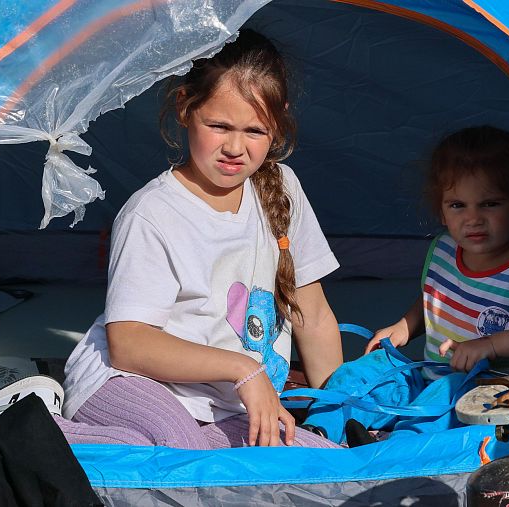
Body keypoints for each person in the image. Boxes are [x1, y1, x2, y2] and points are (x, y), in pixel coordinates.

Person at [55, 30, 343, 449]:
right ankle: (36, 428)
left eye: (255, 131)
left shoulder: (282, 187)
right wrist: (242, 368)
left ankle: (125, 447)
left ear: (278, 122)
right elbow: (128, 343)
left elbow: (313, 318)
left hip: (227, 402)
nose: (235, 147)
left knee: (322, 461)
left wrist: (338, 415)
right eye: (219, 126)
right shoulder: (152, 213)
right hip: (126, 380)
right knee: (183, 450)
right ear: (185, 107)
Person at [365, 126, 509, 375]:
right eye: (458, 205)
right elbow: (436, 296)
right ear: (441, 210)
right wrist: (405, 327)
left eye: (490, 204)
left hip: (505, 402)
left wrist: (490, 345)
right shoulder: (444, 249)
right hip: (438, 388)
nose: (473, 219)